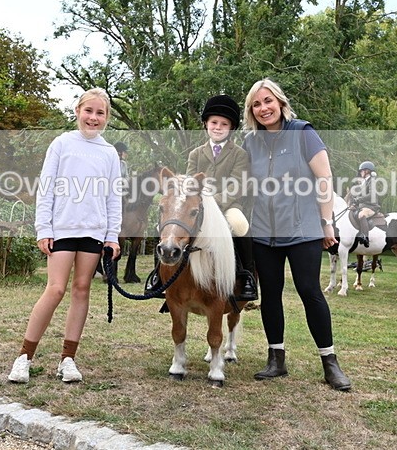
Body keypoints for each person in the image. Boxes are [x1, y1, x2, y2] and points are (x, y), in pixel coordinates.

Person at [242, 78, 352, 392]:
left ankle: (330, 363)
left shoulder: (303, 132)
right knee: (270, 294)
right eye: (256, 104)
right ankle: (276, 359)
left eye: (268, 101)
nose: (263, 108)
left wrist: (326, 223)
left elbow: (324, 178)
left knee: (309, 290)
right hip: (264, 232)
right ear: (251, 111)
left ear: (280, 102)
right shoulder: (250, 142)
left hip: (303, 229)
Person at [8, 87, 122, 384]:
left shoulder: (109, 153)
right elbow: (46, 188)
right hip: (62, 229)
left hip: (93, 231)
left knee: (81, 289)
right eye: (88, 111)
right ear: (77, 111)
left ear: (106, 117)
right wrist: (44, 228)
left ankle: (67, 359)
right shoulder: (61, 144)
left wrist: (112, 236)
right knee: (56, 289)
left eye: (100, 113)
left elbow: (113, 198)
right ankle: (24, 357)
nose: (93, 118)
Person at [144, 94, 258, 302]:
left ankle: (247, 275)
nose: (218, 127)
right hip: (196, 206)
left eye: (224, 124)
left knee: (239, 224)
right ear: (206, 124)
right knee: (164, 225)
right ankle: (158, 276)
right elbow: (188, 183)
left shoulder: (239, 154)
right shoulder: (196, 153)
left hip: (227, 205)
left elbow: (237, 185)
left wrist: (213, 202)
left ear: (231, 128)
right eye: (214, 122)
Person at [350, 160, 381, 247]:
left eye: (361, 171)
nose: (360, 173)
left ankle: (365, 237)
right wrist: (354, 203)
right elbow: (361, 196)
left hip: (371, 206)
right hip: (363, 206)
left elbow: (371, 195)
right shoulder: (364, 182)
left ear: (367, 171)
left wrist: (358, 200)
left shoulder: (372, 181)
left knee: (362, 215)